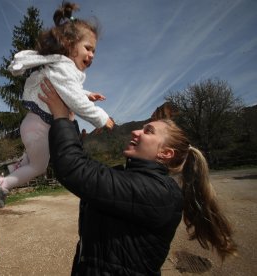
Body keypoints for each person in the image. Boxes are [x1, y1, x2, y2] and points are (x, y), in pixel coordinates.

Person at [38, 78, 237, 275]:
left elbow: (74, 169)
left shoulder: (160, 193)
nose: (135, 131)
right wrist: (71, 119)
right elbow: (85, 172)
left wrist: (61, 116)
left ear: (165, 153)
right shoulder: (126, 176)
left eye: (148, 131)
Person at [0, 2, 115, 208]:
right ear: (69, 45)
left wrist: (88, 94)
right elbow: (74, 99)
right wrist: (101, 118)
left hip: (36, 124)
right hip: (38, 127)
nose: (92, 55)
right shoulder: (65, 67)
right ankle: (1, 184)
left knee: (36, 158)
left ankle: (18, 165)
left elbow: (68, 90)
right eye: (88, 48)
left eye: (95, 51)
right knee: (39, 167)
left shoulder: (63, 68)